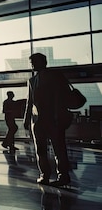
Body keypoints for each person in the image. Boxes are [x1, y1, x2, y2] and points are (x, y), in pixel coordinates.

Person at [23, 53, 72, 187]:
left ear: (42, 62)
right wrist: (27, 119)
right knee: (41, 149)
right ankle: (45, 174)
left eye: (33, 62)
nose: (31, 64)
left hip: (54, 118)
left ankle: (62, 175)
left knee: (58, 149)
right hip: (37, 120)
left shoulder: (55, 76)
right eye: (31, 62)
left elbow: (60, 97)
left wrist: (58, 115)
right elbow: (30, 101)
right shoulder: (32, 80)